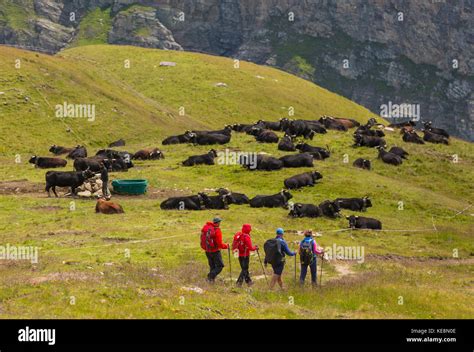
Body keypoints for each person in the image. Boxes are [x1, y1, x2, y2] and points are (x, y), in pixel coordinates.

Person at [200, 217, 228, 283]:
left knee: (212, 266)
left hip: (207, 250)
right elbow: (219, 244)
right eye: (219, 222)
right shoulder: (217, 230)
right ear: (218, 223)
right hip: (215, 251)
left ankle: (211, 281)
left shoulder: (207, 228)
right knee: (220, 266)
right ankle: (209, 277)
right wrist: (226, 246)